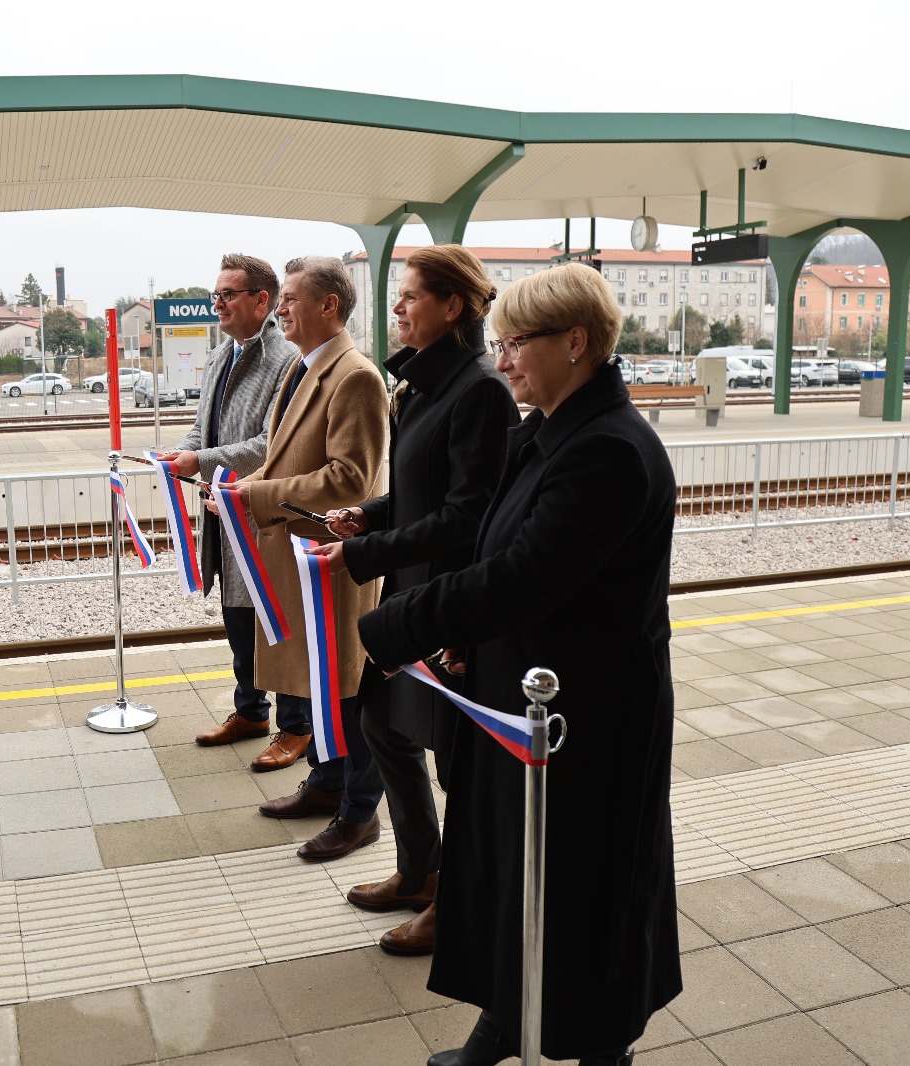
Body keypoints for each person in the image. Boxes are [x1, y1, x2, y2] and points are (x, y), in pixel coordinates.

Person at [358, 263, 681, 1066]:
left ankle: (602, 1045)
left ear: (576, 342)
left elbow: (522, 576)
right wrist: (466, 639)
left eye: (516, 344)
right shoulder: (554, 429)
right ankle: (509, 1015)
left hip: (588, 717)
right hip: (526, 694)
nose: (501, 360)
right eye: (498, 344)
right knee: (512, 866)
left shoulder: (607, 451)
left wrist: (397, 621)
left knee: (584, 883)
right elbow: (497, 546)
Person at [306, 245, 516, 955]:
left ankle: (455, 902)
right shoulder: (424, 386)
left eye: (410, 297)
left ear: (453, 306)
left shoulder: (480, 390)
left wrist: (363, 551)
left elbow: (467, 515)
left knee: (454, 761)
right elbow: (425, 491)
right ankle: (420, 870)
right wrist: (373, 514)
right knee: (382, 724)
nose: (396, 309)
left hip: (446, 604)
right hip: (410, 592)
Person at [226, 255, 388, 862]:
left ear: (329, 306)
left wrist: (259, 496)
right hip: (296, 561)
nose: (282, 307)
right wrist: (242, 494)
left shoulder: (356, 377)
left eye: (292, 297)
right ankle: (325, 783)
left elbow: (353, 478)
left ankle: (359, 811)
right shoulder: (303, 368)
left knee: (345, 687)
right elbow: (278, 458)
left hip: (330, 565)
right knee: (318, 685)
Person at [153, 255, 304, 768]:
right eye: (215, 294)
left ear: (263, 300)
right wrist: (183, 455)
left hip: (260, 517)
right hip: (223, 512)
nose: (216, 303)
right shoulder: (222, 356)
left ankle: (296, 727)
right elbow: (203, 428)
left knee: (273, 622)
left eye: (228, 294)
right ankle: (251, 711)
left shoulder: (286, 361)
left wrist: (204, 459)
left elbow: (273, 446)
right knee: (238, 620)